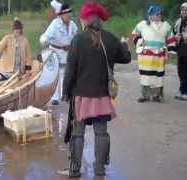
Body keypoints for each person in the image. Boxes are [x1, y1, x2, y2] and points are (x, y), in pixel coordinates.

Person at [59, 2, 131, 177]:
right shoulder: (110, 38)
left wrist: (66, 92)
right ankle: (100, 170)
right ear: (99, 20)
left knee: (78, 134)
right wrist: (124, 45)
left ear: (84, 20)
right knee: (101, 133)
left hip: (81, 96)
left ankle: (74, 170)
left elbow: (70, 70)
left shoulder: (78, 39)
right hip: (102, 97)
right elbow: (126, 58)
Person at [131, 5, 176, 103]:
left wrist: (172, 51)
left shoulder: (166, 25)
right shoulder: (142, 24)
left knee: (158, 76)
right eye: (156, 14)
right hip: (145, 55)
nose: (159, 15)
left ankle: (157, 96)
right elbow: (134, 34)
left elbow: (171, 39)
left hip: (159, 55)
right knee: (145, 75)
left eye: (159, 13)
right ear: (150, 15)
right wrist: (140, 41)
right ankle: (145, 95)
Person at [40, 2, 78, 105]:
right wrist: (44, 41)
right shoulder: (55, 24)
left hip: (68, 52)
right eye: (66, 14)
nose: (68, 16)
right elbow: (46, 36)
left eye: (69, 14)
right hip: (56, 52)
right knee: (56, 74)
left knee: (66, 74)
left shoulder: (73, 25)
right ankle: (55, 97)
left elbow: (77, 37)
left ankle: (65, 94)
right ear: (61, 15)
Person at [174, 2, 187, 101]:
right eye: (183, 10)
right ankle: (182, 91)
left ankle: (185, 92)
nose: (184, 12)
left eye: (186, 10)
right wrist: (176, 37)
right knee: (181, 72)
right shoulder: (178, 21)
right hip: (181, 50)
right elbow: (175, 33)